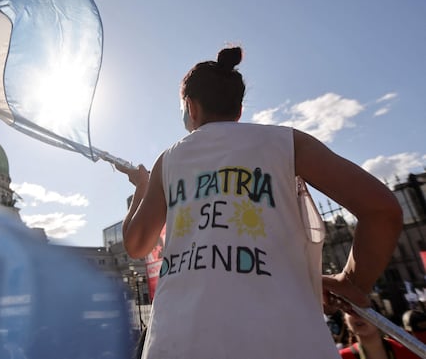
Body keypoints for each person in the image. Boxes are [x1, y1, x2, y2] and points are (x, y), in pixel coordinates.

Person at [118, 46, 403, 358]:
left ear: (190, 106)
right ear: (239, 110)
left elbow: (137, 244)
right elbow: (382, 210)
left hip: (179, 343)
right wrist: (353, 282)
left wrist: (144, 187)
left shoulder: (169, 160)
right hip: (289, 343)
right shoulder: (287, 142)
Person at [339, 310, 421, 358]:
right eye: (350, 310)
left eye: (364, 309)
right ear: (345, 321)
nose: (357, 314)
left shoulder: (408, 351)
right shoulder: (340, 356)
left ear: (379, 318)